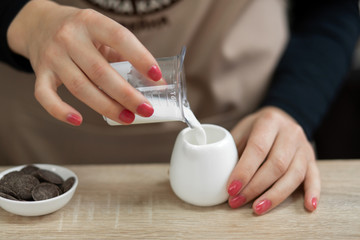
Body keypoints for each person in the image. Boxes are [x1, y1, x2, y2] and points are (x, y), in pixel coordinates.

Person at [0, 0, 359, 216]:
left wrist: (291, 108)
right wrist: (28, 20)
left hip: (245, 119)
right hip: (44, 135)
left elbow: (331, 8)